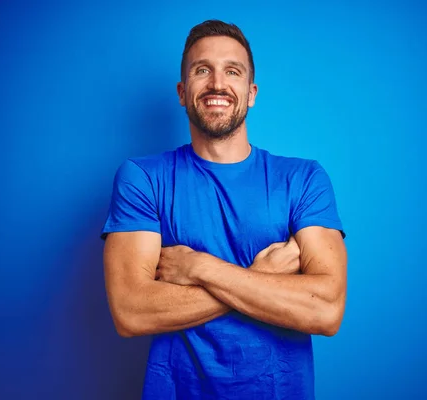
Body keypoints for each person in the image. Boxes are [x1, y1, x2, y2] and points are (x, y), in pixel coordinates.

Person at [101, 19, 347, 400]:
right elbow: (132, 311)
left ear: (251, 93)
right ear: (183, 92)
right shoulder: (142, 178)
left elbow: (326, 310)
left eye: (232, 71)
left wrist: (200, 268)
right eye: (203, 70)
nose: (217, 83)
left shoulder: (302, 179)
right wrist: (260, 277)